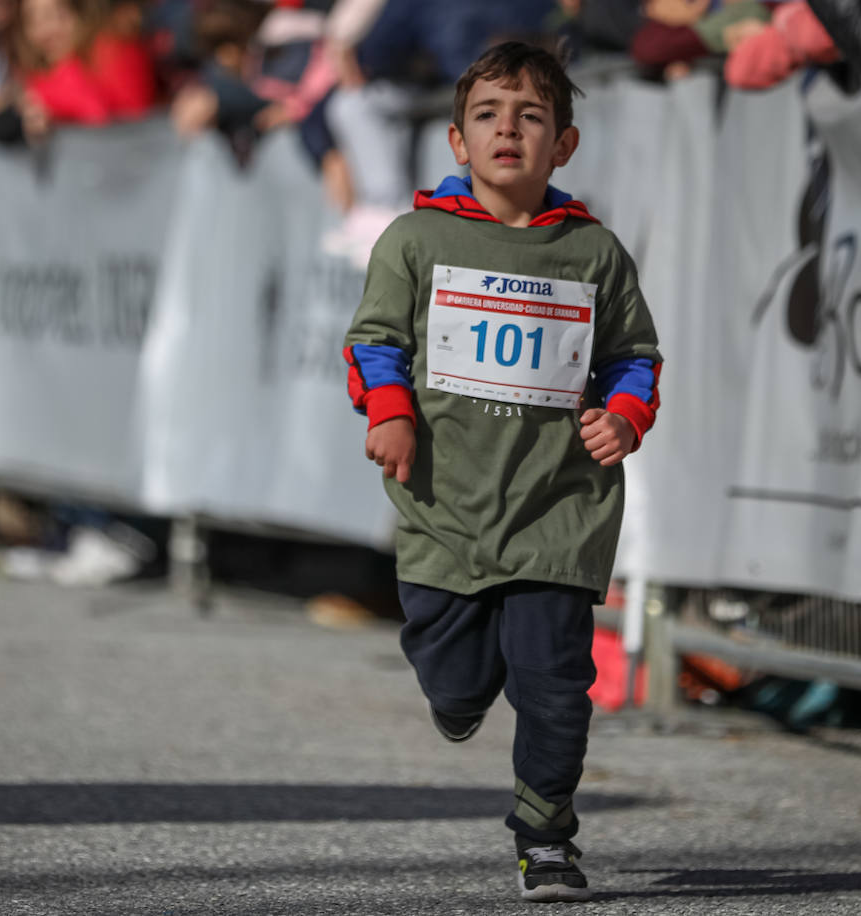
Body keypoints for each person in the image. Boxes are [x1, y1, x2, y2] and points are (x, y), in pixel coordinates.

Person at [341, 40, 662, 902]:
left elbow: (635, 357)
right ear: (456, 141)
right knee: (456, 681)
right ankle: (458, 691)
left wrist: (624, 417)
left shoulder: (595, 254)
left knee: (557, 687)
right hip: (445, 504)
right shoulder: (415, 240)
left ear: (564, 144)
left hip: (560, 509)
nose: (508, 129)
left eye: (531, 116)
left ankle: (546, 833)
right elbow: (374, 343)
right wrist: (393, 413)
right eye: (488, 115)